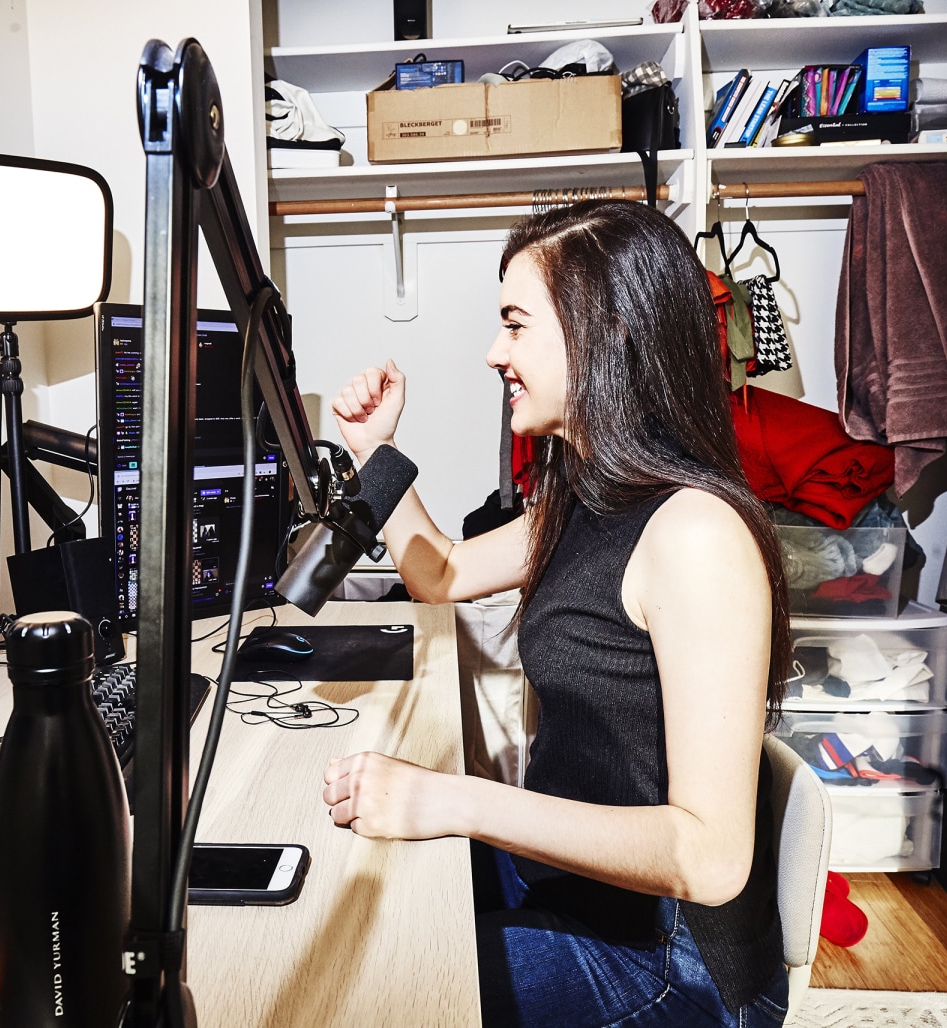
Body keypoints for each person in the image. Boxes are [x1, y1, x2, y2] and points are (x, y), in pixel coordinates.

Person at [321, 200, 792, 1027]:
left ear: (605, 331)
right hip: (581, 896)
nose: (494, 353)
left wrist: (453, 800)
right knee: (363, 902)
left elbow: (713, 859)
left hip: (669, 965)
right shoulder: (582, 496)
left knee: (374, 991)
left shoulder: (695, 534)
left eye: (514, 325)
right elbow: (443, 574)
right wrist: (373, 453)